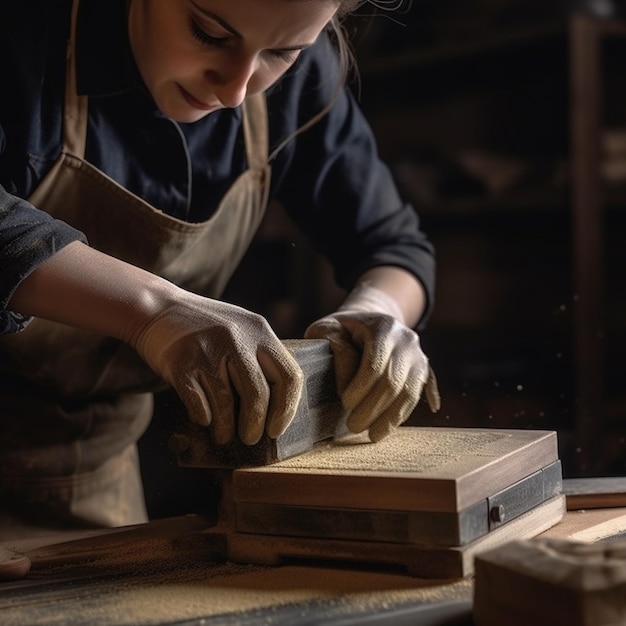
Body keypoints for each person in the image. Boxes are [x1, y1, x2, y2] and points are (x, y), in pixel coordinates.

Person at [0, 0, 438, 538]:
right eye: (209, 33)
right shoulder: (24, 32)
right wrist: (154, 311)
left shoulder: (297, 83)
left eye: (281, 53)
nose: (236, 89)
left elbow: (392, 245)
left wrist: (382, 310)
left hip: (85, 473)